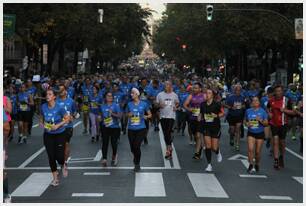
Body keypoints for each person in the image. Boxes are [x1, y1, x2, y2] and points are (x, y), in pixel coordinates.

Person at [40, 89, 70, 186]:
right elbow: (41, 117)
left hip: (60, 133)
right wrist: (41, 124)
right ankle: (55, 178)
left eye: (50, 94)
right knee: (51, 156)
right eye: (46, 94)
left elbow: (67, 118)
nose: (47, 96)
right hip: (48, 134)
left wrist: (58, 125)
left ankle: (63, 163)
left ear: (54, 97)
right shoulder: (43, 107)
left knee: (59, 157)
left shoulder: (59, 107)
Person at [268, 85, 295, 170]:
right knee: (275, 141)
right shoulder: (271, 100)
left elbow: (294, 112)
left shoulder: (287, 100)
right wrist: (269, 113)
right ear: (274, 92)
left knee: (282, 142)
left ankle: (281, 156)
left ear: (282, 92)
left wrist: (285, 110)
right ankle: (276, 161)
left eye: (280, 91)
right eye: (277, 91)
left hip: (283, 124)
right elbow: (267, 108)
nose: (278, 93)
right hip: (273, 123)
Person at [126, 88, 152, 171]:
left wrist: (146, 116)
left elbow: (150, 115)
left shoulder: (144, 104)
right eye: (131, 93)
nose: (131, 94)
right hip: (131, 129)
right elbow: (126, 114)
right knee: (132, 148)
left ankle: (137, 163)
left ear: (137, 94)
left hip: (141, 128)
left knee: (136, 146)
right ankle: (136, 157)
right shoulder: (129, 104)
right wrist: (128, 115)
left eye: (133, 93)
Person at [198, 89, 224, 172]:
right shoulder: (202, 104)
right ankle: (209, 164)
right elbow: (201, 113)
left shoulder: (217, 104)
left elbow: (223, 113)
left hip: (215, 127)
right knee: (208, 146)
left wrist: (216, 115)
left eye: (209, 93)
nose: (207, 94)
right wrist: (199, 117)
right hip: (206, 127)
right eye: (206, 93)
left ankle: (217, 152)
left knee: (214, 147)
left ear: (212, 95)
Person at [56, 84, 78, 172]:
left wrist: (74, 116)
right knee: (58, 147)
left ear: (66, 91)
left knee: (66, 144)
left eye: (62, 90)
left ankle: (64, 162)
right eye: (59, 90)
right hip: (58, 126)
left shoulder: (71, 101)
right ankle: (61, 160)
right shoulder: (55, 101)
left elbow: (75, 113)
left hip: (68, 127)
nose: (61, 92)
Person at [245, 96, 269, 173]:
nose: (255, 102)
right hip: (251, 133)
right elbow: (245, 121)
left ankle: (257, 163)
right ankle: (251, 164)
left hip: (260, 133)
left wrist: (260, 120)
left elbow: (266, 123)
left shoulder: (263, 112)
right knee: (250, 149)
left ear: (259, 102)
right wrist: (247, 124)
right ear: (252, 103)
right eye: (253, 101)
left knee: (258, 152)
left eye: (256, 101)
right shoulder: (248, 111)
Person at [156, 81, 179, 160]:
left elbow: (177, 103)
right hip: (163, 116)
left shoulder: (174, 95)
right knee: (166, 133)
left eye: (168, 84)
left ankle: (168, 150)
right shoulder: (160, 94)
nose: (166, 86)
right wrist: (159, 105)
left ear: (171, 86)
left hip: (171, 116)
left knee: (168, 132)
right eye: (165, 84)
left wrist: (176, 106)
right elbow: (156, 104)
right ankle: (169, 147)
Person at [183, 82, 206, 159]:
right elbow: (185, 105)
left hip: (201, 119)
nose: (194, 89)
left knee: (198, 135)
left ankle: (197, 152)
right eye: (193, 88)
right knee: (195, 135)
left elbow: (209, 104)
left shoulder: (204, 96)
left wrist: (203, 113)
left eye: (196, 88)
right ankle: (199, 147)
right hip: (192, 118)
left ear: (200, 89)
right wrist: (190, 109)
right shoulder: (191, 96)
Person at [100, 92, 122, 167]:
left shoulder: (116, 105)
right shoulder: (102, 106)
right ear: (105, 97)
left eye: (110, 96)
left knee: (113, 143)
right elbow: (101, 116)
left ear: (113, 98)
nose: (109, 97)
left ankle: (114, 156)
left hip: (114, 127)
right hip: (105, 126)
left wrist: (112, 113)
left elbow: (119, 116)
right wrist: (99, 118)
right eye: (107, 96)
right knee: (105, 143)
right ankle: (104, 159)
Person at [224, 84, 246, 151]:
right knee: (232, 130)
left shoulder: (242, 97)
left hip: (239, 115)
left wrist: (243, 106)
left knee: (238, 129)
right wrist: (231, 107)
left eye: (240, 90)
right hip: (231, 115)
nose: (238, 91)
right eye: (237, 90)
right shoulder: (230, 97)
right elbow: (225, 105)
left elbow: (244, 105)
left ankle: (237, 145)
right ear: (234, 90)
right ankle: (231, 137)